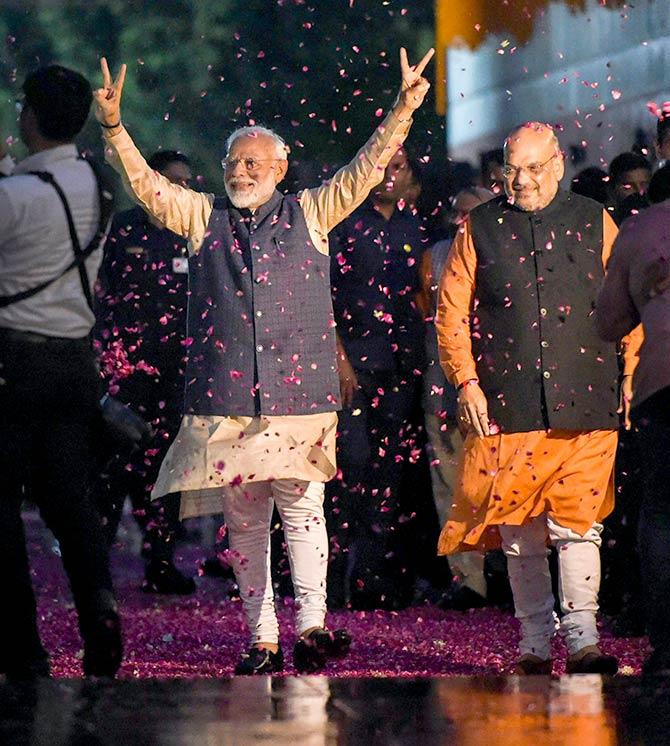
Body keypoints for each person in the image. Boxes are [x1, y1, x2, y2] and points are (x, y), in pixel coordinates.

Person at [94, 48, 433, 674]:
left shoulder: (312, 210)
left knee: (303, 511)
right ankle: (261, 636)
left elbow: (365, 168)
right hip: (226, 399)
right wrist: (114, 128)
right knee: (246, 522)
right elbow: (146, 186)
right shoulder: (203, 216)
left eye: (253, 161)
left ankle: (310, 625)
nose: (240, 169)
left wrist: (404, 108)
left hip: (300, 394)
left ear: (281, 167)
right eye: (232, 161)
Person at [435, 121, 641, 675]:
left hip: (587, 394)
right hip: (509, 399)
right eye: (511, 169)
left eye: (531, 168)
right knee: (521, 532)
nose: (519, 180)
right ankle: (531, 643)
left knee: (578, 528)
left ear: (556, 165)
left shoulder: (594, 219)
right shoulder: (480, 226)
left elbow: (629, 297)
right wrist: (467, 381)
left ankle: (583, 640)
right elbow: (450, 312)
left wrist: (632, 373)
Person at [0, 65, 122, 679]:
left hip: (13, 363)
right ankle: (100, 613)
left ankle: (22, 646)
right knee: (72, 504)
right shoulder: (97, 183)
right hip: (75, 362)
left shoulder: (14, 196)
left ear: (29, 118)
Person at [327, 149, 428, 610]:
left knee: (388, 474)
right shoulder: (345, 223)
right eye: (383, 167)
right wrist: (339, 359)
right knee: (351, 466)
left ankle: (371, 579)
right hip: (352, 362)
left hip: (402, 363)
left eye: (399, 168)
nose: (390, 176)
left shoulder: (415, 225)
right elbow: (323, 295)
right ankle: (329, 579)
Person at [94, 149, 196, 594]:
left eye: (188, 183)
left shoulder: (192, 233)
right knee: (114, 463)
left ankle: (161, 560)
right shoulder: (123, 229)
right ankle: (96, 565)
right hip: (127, 367)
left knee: (167, 468)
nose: (183, 189)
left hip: (177, 369)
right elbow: (101, 291)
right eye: (175, 180)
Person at [595, 188, 670, 676]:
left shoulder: (641, 228)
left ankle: (667, 649)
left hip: (662, 384)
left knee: (663, 515)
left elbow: (609, 321)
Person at [417, 187, 494, 610]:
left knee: (499, 486)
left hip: (498, 392)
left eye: (472, 215)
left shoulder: (506, 251)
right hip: (444, 389)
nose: (463, 222)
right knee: (450, 484)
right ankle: (469, 579)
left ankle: (503, 573)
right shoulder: (436, 256)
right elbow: (425, 311)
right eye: (458, 215)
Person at [608, 152, 651, 225]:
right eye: (628, 187)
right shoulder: (605, 226)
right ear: (612, 190)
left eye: (644, 185)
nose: (639, 191)